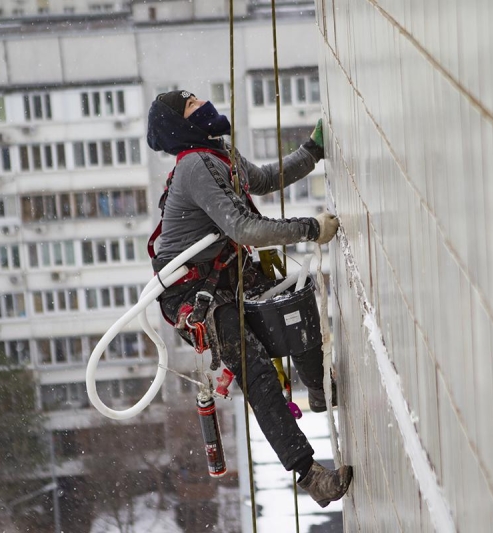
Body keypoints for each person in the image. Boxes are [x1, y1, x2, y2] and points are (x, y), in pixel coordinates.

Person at [146, 90, 353, 507]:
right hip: (194, 292)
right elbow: (246, 228)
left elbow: (260, 180)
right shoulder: (193, 167)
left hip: (224, 269)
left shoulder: (216, 151)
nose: (202, 102)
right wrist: (309, 228)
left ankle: (316, 387)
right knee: (255, 369)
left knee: (294, 305)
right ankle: (309, 474)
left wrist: (311, 151)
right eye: (191, 105)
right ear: (181, 125)